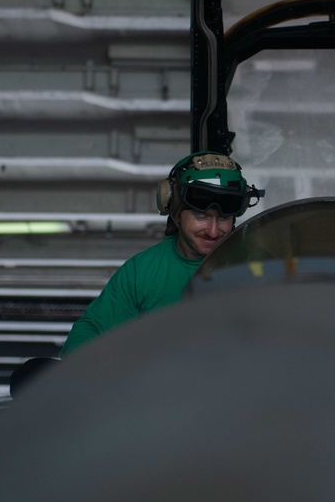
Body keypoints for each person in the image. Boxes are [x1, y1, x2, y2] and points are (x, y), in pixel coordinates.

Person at [59, 151, 265, 358]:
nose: (212, 231)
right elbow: (90, 333)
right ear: (174, 210)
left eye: (223, 218)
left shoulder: (261, 264)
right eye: (201, 216)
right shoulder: (141, 273)